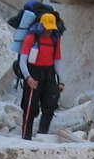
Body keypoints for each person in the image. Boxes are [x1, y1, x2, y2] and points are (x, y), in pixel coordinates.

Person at [18, 9, 64, 140]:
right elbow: (22, 61)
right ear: (41, 25)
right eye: (47, 28)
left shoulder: (55, 39)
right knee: (30, 107)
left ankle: (42, 135)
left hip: (49, 73)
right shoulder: (31, 38)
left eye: (51, 28)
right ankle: (26, 137)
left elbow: (57, 61)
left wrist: (61, 80)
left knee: (50, 104)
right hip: (33, 72)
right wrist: (28, 78)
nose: (49, 31)